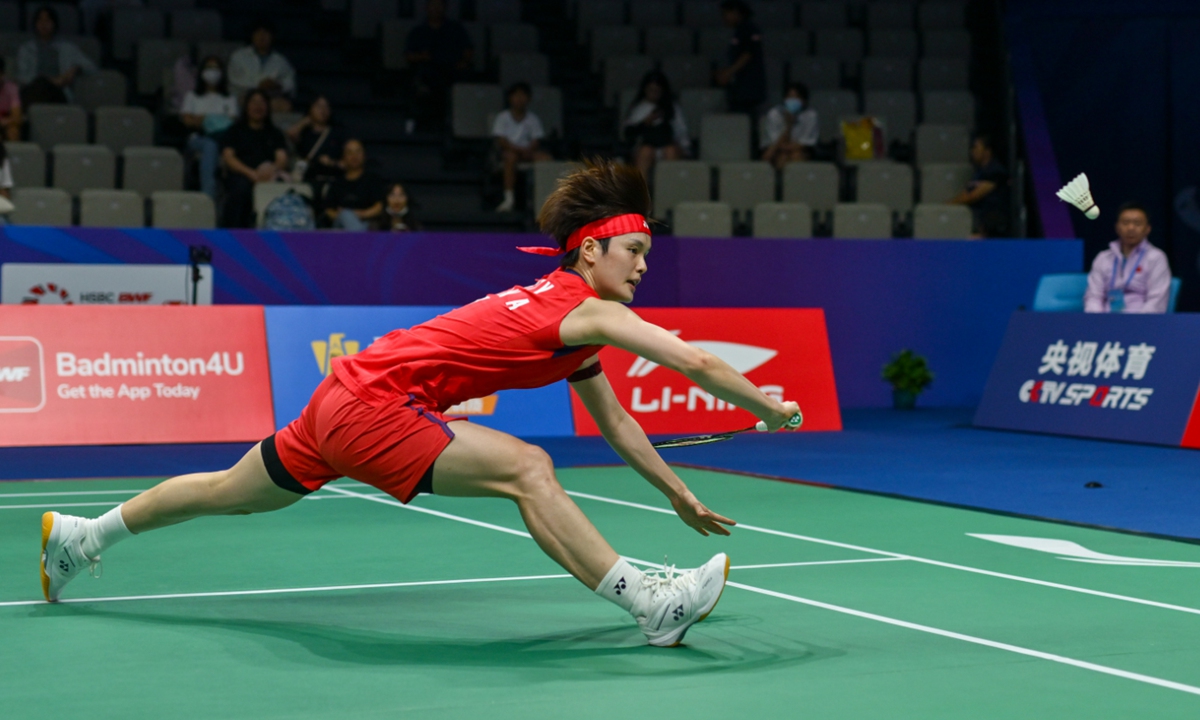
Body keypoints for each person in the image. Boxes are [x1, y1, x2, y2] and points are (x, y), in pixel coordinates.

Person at [40, 160, 803, 648]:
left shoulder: (573, 325)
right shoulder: (585, 307)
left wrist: (677, 495)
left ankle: (81, 534)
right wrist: (767, 409)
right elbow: (696, 360)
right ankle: (653, 606)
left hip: (342, 395)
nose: (641, 268)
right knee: (529, 468)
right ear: (592, 251)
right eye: (634, 253)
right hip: (375, 405)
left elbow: (620, 424)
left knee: (224, 493)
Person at [219, 89, 289, 228]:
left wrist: (271, 170)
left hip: (269, 175)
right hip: (242, 175)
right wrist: (251, 174)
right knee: (241, 189)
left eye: (262, 103)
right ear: (246, 107)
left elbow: (281, 158)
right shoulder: (234, 131)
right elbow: (229, 157)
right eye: (254, 102)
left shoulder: (275, 133)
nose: (258, 106)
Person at [1084, 202, 1171, 314]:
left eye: (1137, 223)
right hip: (1105, 322)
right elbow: (1094, 296)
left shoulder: (1156, 258)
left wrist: (1137, 325)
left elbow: (1157, 301)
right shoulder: (1103, 258)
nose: (1131, 228)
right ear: (1117, 227)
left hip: (1141, 323)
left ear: (1147, 229)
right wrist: (1097, 322)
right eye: (1125, 223)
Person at [404, 0, 473, 131]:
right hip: (429, 71)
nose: (435, 9)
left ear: (445, 8)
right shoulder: (418, 31)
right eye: (432, 5)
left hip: (453, 70)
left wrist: (463, 62)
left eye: (439, 5)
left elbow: (468, 50)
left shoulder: (455, 28)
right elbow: (408, 55)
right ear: (426, 8)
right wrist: (422, 57)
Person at [180, 55, 239, 200]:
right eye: (209, 68)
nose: (212, 72)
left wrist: (203, 118)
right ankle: (208, 196)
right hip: (199, 139)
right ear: (202, 72)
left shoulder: (229, 98)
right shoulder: (192, 96)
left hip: (224, 139)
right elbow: (187, 120)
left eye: (216, 68)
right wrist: (216, 119)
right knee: (210, 145)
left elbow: (233, 122)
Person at [17, 6, 97, 107]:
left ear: (54, 24)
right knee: (40, 85)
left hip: (58, 93)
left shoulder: (67, 48)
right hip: (33, 92)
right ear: (35, 24)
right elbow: (23, 77)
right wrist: (53, 81)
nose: (44, 24)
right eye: (40, 20)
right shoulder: (26, 49)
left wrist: (75, 69)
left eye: (48, 20)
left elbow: (91, 67)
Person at [493, 82, 551, 212]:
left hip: (528, 152)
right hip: (510, 152)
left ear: (528, 99)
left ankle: (544, 199)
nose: (519, 99)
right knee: (510, 158)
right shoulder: (502, 117)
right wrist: (518, 150)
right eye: (516, 95)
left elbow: (536, 140)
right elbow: (501, 141)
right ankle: (509, 199)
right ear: (510, 98)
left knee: (546, 158)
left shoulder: (533, 119)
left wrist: (528, 150)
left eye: (523, 95)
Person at [624, 71, 690, 182]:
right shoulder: (638, 108)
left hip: (668, 145)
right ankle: (642, 193)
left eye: (656, 91)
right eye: (651, 90)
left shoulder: (672, 108)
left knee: (671, 151)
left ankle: (669, 191)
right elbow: (629, 133)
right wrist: (646, 123)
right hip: (646, 146)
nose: (653, 93)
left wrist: (685, 148)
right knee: (645, 151)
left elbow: (681, 132)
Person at [949, 133, 1011, 238]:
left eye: (976, 147)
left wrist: (948, 206)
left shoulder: (996, 172)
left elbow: (972, 196)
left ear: (987, 151)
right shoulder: (979, 173)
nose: (972, 151)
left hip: (993, 229)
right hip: (978, 223)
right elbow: (967, 193)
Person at [227, 20, 297, 113]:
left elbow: (290, 82)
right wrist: (260, 85)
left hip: (269, 99)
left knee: (285, 105)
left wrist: (279, 85)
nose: (262, 36)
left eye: (266, 33)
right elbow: (235, 80)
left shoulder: (280, 60)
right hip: (244, 98)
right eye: (258, 32)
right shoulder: (239, 56)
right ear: (252, 35)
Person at [714, 0, 766, 118]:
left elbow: (748, 53)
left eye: (725, 14)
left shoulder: (749, 28)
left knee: (745, 121)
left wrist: (728, 73)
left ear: (736, 12)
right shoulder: (739, 30)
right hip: (740, 89)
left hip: (748, 90)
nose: (724, 18)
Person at [322, 139, 384, 231]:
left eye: (358, 151)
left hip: (367, 223)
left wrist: (359, 214)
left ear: (364, 155)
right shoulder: (336, 182)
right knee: (346, 215)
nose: (354, 156)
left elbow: (379, 206)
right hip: (341, 228)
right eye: (349, 152)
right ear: (343, 157)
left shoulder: (373, 179)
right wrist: (346, 216)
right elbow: (329, 210)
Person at [286, 95, 345, 186]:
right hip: (308, 179)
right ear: (310, 109)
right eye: (318, 106)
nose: (323, 110)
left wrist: (331, 163)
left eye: (326, 106)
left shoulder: (337, 132)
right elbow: (290, 134)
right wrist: (305, 121)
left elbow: (346, 163)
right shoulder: (304, 133)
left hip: (332, 179)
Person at [760, 82, 818, 169]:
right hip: (777, 149)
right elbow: (775, 142)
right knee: (782, 157)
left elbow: (806, 142)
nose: (793, 100)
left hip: (800, 150)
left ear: (804, 100)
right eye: (790, 97)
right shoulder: (774, 114)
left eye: (797, 97)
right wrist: (789, 126)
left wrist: (790, 148)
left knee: (796, 156)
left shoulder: (810, 115)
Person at [0, 58, 23, 142]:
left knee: (13, 131)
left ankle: (13, 154)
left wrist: (3, 122)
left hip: (4, 124)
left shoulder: (12, 88)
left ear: (2, 75)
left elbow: (17, 118)